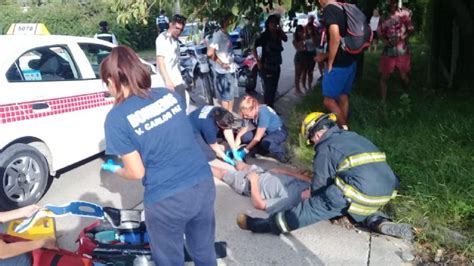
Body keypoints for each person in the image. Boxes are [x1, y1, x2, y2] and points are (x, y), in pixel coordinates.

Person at [100, 45, 216, 265]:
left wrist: (116, 169)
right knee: (204, 251)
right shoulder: (168, 95)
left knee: (169, 260)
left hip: (167, 200)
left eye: (106, 84)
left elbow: (136, 172)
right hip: (202, 183)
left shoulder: (116, 118)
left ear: (112, 80)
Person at [236, 112, 414, 241]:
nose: (313, 144)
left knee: (313, 207)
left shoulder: (325, 148)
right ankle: (378, 222)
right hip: (385, 190)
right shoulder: (352, 136)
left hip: (360, 192)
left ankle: (261, 225)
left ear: (318, 134)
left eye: (312, 140)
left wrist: (310, 196)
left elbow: (320, 187)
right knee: (353, 201)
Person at [314, 0, 357, 130]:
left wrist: (330, 60)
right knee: (343, 96)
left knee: (328, 100)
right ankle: (343, 128)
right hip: (351, 59)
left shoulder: (330, 9)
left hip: (338, 64)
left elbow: (335, 37)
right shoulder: (342, 8)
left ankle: (344, 130)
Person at [212, 161, 311, 214]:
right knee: (240, 164)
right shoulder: (310, 184)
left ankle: (199, 166)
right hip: (263, 172)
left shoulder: (289, 200)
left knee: (222, 172)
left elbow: (260, 205)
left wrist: (253, 181)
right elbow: (299, 176)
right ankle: (228, 157)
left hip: (247, 183)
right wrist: (280, 171)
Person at [378, 0, 414, 102]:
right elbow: (380, 33)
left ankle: (406, 94)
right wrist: (385, 41)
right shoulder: (384, 16)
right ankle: (383, 101)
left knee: (403, 76)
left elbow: (410, 30)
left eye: (394, 1)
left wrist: (401, 37)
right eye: (390, 1)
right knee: (385, 76)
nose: (392, 3)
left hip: (402, 49)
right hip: (388, 50)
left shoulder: (404, 14)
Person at [235, 95, 288, 163]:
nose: (245, 117)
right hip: (265, 131)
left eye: (247, 115)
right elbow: (243, 130)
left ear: (254, 109)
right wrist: (234, 148)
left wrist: (245, 150)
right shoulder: (247, 114)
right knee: (245, 137)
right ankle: (260, 150)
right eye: (244, 115)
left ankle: (282, 154)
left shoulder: (263, 113)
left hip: (278, 131)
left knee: (266, 142)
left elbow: (257, 137)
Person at [155, 14, 190, 111]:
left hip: (178, 81)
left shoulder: (175, 40)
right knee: (172, 111)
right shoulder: (162, 38)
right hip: (168, 83)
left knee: (182, 108)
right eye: (177, 28)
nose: (179, 31)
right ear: (171, 25)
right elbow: (160, 60)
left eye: (181, 30)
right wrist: (167, 80)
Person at [253, 14, 288, 108]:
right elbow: (253, 46)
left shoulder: (278, 34)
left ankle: (271, 108)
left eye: (275, 23)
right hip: (266, 65)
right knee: (268, 89)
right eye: (272, 22)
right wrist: (258, 61)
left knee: (274, 89)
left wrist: (279, 28)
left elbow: (285, 39)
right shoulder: (264, 35)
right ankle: (267, 109)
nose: (273, 25)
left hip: (276, 64)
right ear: (268, 24)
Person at [207, 12, 238, 113]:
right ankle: (226, 119)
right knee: (226, 97)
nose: (233, 23)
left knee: (231, 95)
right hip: (223, 73)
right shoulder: (218, 35)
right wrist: (222, 64)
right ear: (225, 22)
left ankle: (230, 115)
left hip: (230, 70)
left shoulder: (226, 34)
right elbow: (210, 53)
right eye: (231, 21)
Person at [303, 14, 318, 90]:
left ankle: (309, 85)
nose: (311, 21)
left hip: (312, 52)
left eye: (312, 19)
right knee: (305, 70)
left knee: (310, 71)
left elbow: (316, 43)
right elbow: (301, 40)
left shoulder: (315, 29)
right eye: (310, 19)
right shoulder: (304, 28)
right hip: (305, 53)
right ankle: (304, 86)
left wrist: (312, 34)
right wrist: (306, 34)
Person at [292, 25, 307, 95]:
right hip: (299, 57)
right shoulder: (295, 40)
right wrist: (302, 44)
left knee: (303, 73)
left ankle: (303, 87)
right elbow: (298, 48)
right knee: (297, 74)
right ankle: (297, 90)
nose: (300, 33)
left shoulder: (304, 37)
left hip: (304, 57)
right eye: (299, 31)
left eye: (301, 31)